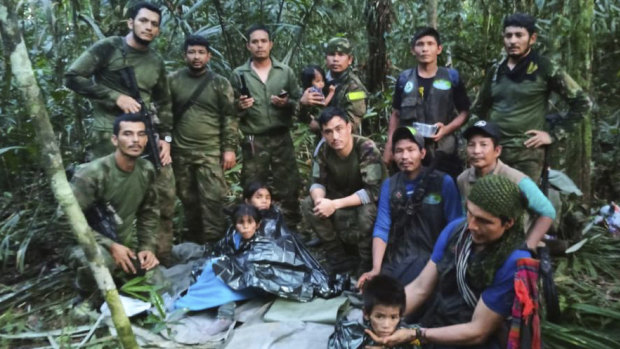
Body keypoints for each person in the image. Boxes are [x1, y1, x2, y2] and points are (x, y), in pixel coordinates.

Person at [65, 1, 176, 265]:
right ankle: (107, 257)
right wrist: (115, 97)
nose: (148, 27)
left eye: (154, 24)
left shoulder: (155, 62)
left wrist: (166, 139)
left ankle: (156, 256)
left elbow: (165, 103)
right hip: (109, 136)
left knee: (162, 193)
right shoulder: (109, 48)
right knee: (107, 200)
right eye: (143, 21)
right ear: (131, 23)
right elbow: (72, 77)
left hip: (146, 135)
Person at [367, 175, 532, 349]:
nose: (472, 226)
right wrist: (381, 315)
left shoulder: (515, 262)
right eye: (470, 213)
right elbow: (420, 287)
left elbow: (478, 331)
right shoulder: (455, 231)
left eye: (484, 221)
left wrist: (416, 334)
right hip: (439, 323)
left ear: (508, 223)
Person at [472, 13, 591, 183]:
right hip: (495, 152)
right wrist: (478, 143)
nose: (513, 41)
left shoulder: (545, 67)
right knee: (490, 203)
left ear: (532, 38)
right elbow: (478, 109)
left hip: (527, 154)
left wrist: (553, 135)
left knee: (523, 204)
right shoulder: (496, 70)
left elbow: (583, 103)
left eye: (519, 35)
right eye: (508, 36)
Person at [358, 126, 462, 289]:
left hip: (432, 259)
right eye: (399, 151)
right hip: (398, 258)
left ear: (422, 153)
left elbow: (455, 226)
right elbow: (382, 227)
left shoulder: (443, 182)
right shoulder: (390, 185)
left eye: (410, 149)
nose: (405, 156)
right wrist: (376, 268)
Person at [67, 113, 160, 293]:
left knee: (157, 282)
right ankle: (86, 297)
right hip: (86, 243)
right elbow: (65, 221)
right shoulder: (91, 174)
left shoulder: (146, 170)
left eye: (141, 134)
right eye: (128, 134)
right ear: (115, 140)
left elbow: (149, 212)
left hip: (122, 244)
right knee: (102, 261)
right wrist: (110, 246)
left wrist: (147, 248)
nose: (135, 140)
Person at [168, 35, 237, 244]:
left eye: (200, 53)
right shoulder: (173, 80)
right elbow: (163, 114)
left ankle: (216, 243)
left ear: (208, 56)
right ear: (184, 55)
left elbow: (230, 116)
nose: (196, 57)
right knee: (189, 200)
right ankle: (196, 242)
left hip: (210, 151)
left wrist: (229, 148)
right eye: (191, 52)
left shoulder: (219, 83)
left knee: (214, 200)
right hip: (180, 152)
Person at [230, 24, 302, 227]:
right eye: (255, 42)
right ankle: (252, 225)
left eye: (263, 41)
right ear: (248, 46)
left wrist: (286, 103)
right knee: (253, 183)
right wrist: (240, 106)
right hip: (254, 138)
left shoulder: (284, 72)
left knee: (288, 182)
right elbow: (230, 109)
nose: (259, 45)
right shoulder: (239, 74)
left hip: (281, 136)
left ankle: (290, 227)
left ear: (271, 44)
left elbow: (299, 102)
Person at [301, 107, 386, 276]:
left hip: (363, 202)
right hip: (338, 200)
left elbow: (373, 191)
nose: (335, 136)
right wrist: (320, 201)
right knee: (308, 204)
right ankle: (338, 258)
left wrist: (334, 204)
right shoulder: (324, 150)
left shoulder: (366, 148)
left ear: (349, 127)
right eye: (328, 132)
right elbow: (317, 183)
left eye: (339, 129)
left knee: (367, 211)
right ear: (323, 135)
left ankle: (366, 263)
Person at [383, 27, 470, 179]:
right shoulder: (404, 79)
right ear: (413, 50)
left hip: (442, 151)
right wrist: (390, 144)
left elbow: (464, 112)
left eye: (430, 44)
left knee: (443, 191)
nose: (425, 49)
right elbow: (396, 113)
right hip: (410, 152)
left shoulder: (451, 77)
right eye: (420, 44)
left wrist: (446, 129)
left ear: (439, 49)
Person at [457, 120, 556, 249]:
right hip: (479, 242)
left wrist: (528, 245)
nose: (476, 151)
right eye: (471, 145)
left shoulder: (516, 179)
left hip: (512, 245)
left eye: (483, 145)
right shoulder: (463, 179)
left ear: (497, 151)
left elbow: (548, 212)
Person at [174, 204, 260, 336]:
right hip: (230, 273)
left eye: (250, 222)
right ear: (235, 225)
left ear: (257, 224)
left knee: (222, 286)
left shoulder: (263, 242)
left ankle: (224, 316)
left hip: (248, 281)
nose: (245, 226)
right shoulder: (233, 237)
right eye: (240, 222)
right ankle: (190, 303)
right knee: (210, 269)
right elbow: (221, 253)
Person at [328, 274, 416, 349]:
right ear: (366, 313)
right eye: (379, 316)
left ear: (400, 316)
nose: (386, 325)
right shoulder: (350, 333)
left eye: (393, 317)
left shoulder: (407, 335)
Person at [300, 37, 368, 133]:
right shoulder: (317, 79)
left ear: (350, 60)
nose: (335, 59)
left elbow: (351, 123)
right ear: (325, 58)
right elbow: (299, 117)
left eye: (341, 55)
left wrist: (320, 125)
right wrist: (302, 104)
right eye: (332, 54)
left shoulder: (355, 88)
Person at [299, 65, 336, 133]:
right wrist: (331, 93)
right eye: (318, 81)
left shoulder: (307, 91)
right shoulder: (314, 91)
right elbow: (324, 103)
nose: (322, 84)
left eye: (322, 81)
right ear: (309, 82)